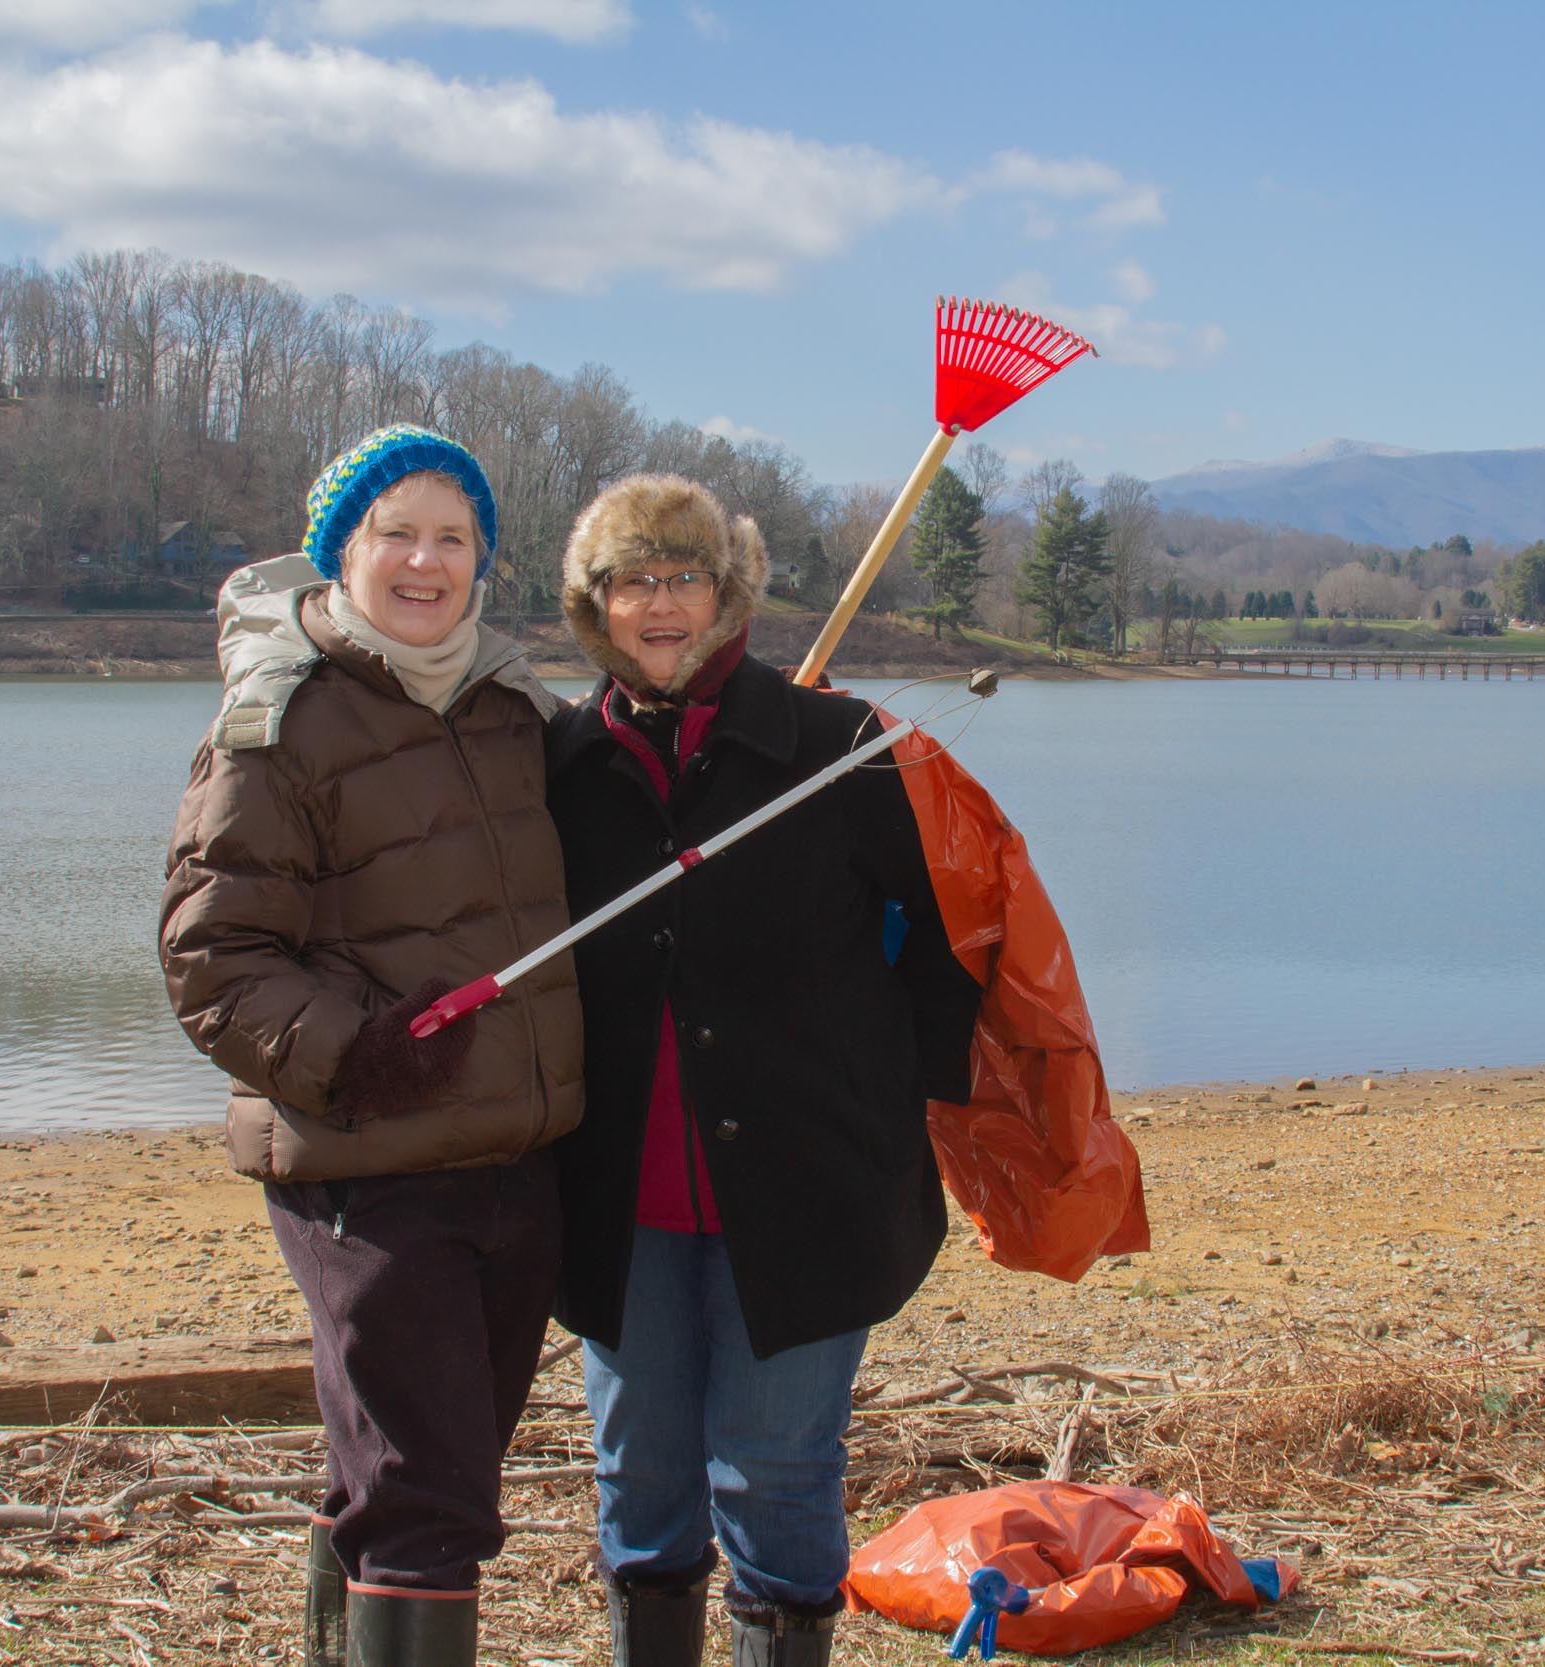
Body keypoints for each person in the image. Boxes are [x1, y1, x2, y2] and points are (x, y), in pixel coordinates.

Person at [160, 425, 583, 1667]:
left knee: (419, 1473)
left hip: (519, 1163)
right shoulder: (279, 720)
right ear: (341, 548)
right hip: (369, 1165)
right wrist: (353, 1053)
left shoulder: (517, 714)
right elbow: (211, 957)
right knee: (429, 1498)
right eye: (396, 530)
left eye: (453, 537)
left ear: (481, 563)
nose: (423, 559)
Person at [544, 475, 983, 1667]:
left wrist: (904, 1107)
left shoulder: (837, 747)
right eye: (632, 579)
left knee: (781, 1465)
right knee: (638, 1469)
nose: (661, 603)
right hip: (618, 1195)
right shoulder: (561, 760)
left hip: (808, 1187)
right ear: (595, 604)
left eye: (686, 575)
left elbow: (950, 947)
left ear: (728, 591)